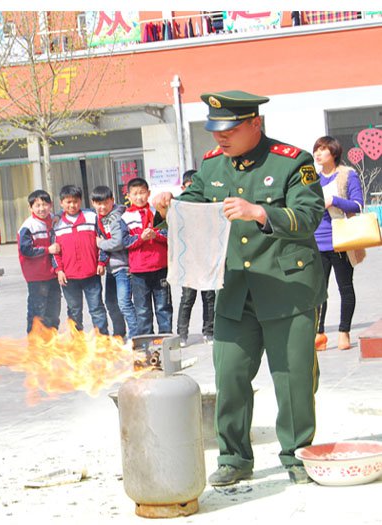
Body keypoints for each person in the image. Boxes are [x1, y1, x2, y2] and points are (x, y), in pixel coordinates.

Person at [153, 90, 326, 486]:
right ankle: (233, 457)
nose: (219, 138)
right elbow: (190, 207)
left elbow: (310, 214)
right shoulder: (212, 167)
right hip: (234, 289)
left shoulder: (291, 161)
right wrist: (166, 208)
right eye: (215, 130)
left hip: (287, 287)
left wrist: (261, 212)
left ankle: (297, 456)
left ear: (254, 124)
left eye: (229, 129)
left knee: (292, 377)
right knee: (229, 374)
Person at [312, 136, 364, 351]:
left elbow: (357, 205)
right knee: (317, 291)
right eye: (316, 150)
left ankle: (344, 332)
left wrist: (334, 200)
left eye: (322, 150)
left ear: (333, 153)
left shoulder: (347, 175)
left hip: (342, 239)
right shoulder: (312, 179)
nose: (317, 154)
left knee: (345, 288)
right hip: (317, 242)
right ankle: (319, 333)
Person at [52, 185, 109, 335]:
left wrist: (102, 262)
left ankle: (103, 340)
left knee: (97, 309)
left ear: (81, 201)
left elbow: (103, 241)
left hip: (91, 274)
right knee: (74, 311)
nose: (72, 205)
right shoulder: (56, 224)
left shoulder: (92, 217)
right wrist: (59, 270)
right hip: (69, 277)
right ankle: (77, 343)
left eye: (76, 201)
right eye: (68, 202)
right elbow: (54, 252)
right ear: (61, 203)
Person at [121, 178, 172, 335]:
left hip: (160, 268)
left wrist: (155, 236)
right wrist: (141, 238)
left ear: (149, 193)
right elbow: (125, 242)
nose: (139, 197)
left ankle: (166, 339)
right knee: (142, 310)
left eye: (142, 193)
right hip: (139, 271)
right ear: (128, 196)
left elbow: (170, 235)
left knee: (163, 307)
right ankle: (146, 343)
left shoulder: (158, 213)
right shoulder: (125, 218)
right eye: (135, 194)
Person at [91, 185, 138, 339]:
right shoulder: (99, 218)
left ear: (112, 201)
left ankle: (135, 336)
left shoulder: (116, 218)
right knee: (111, 303)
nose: (102, 206)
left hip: (123, 267)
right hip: (112, 269)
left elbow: (118, 242)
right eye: (98, 203)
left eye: (105, 202)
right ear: (93, 203)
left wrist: (99, 243)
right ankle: (119, 333)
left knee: (124, 303)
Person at [176, 170, 216, 347]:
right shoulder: (179, 206)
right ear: (183, 188)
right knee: (187, 298)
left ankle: (209, 332)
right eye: (189, 188)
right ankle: (182, 334)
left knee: (209, 296)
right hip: (189, 260)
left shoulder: (208, 206)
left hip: (207, 258)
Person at [17, 189, 62, 333]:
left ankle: (51, 343)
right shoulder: (28, 227)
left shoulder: (54, 220)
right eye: (37, 205)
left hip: (53, 275)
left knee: (53, 312)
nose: (42, 208)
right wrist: (47, 250)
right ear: (30, 208)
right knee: (37, 313)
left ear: (51, 205)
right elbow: (26, 250)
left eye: (45, 204)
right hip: (37, 278)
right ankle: (35, 346)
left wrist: (59, 215)